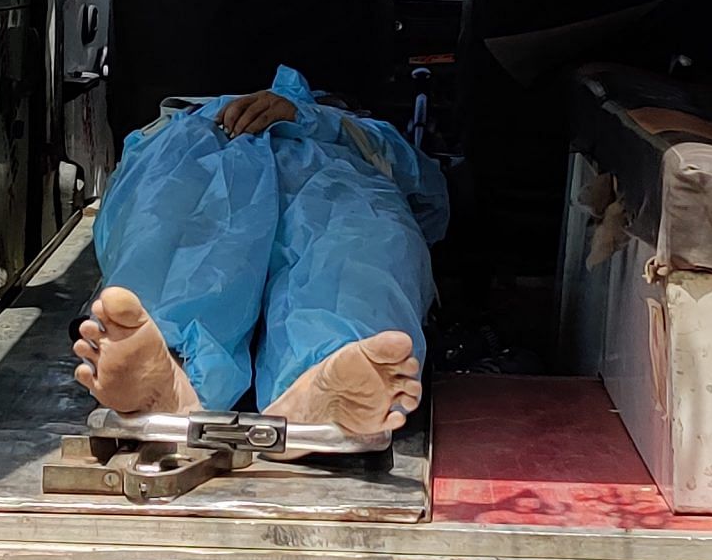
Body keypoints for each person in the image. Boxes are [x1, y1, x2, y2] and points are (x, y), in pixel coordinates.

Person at [73, 65, 447, 436]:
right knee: (176, 228)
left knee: (361, 243)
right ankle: (168, 367)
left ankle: (328, 373)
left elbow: (423, 186)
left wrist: (314, 119)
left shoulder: (355, 131)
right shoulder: (180, 127)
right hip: (206, 152)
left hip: (333, 176)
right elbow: (129, 199)